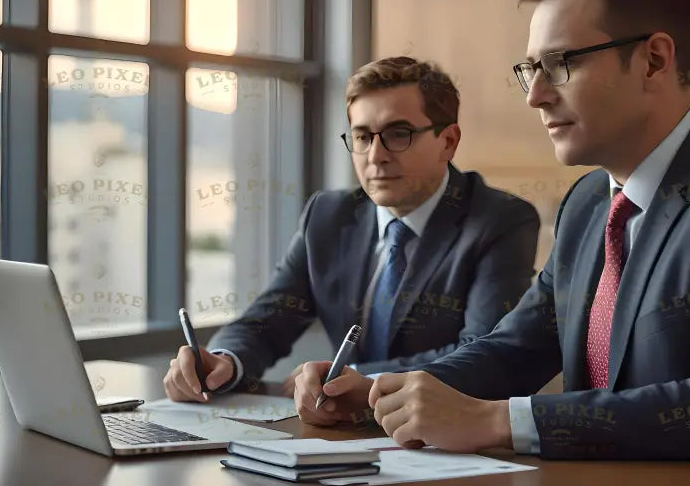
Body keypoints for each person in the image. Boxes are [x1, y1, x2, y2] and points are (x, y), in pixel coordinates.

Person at [293, 0, 690, 465]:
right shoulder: (587, 204)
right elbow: (516, 349)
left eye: (559, 64)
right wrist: (375, 392)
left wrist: (498, 422)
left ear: (653, 60)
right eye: (530, 69)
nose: (535, 95)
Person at [163, 56, 540, 401]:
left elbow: (482, 350)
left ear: (448, 141)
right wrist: (225, 361)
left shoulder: (499, 220)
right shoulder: (327, 216)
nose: (376, 156)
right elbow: (267, 321)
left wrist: (356, 377)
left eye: (398, 134)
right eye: (362, 137)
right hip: (341, 436)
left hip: (450, 438)